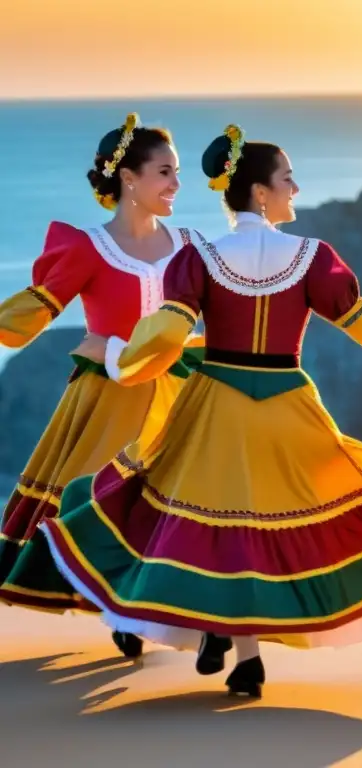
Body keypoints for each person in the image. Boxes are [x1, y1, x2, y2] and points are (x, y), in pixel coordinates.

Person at [41, 125, 362, 698]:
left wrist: (115, 353)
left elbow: (165, 337)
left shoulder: (197, 259)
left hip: (214, 404)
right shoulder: (314, 258)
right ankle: (242, 649)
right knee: (269, 526)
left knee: (212, 523)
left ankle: (231, 639)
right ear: (261, 193)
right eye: (287, 178)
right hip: (287, 405)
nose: (295, 187)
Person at [0, 113, 203, 659]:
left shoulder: (190, 243)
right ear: (129, 179)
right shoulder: (87, 248)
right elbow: (31, 311)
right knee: (108, 503)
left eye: (177, 172)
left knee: (185, 501)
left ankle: (170, 609)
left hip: (180, 391)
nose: (176, 185)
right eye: (165, 172)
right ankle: (122, 608)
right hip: (110, 397)